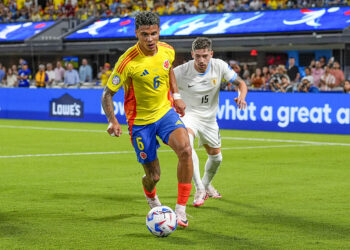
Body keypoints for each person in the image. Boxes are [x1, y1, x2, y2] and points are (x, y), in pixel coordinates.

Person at [101, 11, 193, 227]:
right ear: (136, 34)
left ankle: (180, 210)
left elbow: (168, 70)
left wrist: (177, 96)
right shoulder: (127, 62)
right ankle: (151, 197)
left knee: (186, 150)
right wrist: (113, 121)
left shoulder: (167, 50)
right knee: (154, 176)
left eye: (154, 33)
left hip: (165, 113)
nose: (150, 39)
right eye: (144, 35)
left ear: (159, 31)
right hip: (141, 123)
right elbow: (107, 94)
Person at [174, 37, 247, 207]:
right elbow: (164, 84)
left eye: (205, 56)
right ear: (192, 54)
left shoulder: (219, 66)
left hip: (209, 119)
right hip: (189, 114)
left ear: (211, 54)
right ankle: (199, 188)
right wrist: (174, 98)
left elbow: (241, 83)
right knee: (187, 146)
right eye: (198, 56)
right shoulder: (181, 71)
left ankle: (206, 185)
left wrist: (241, 96)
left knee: (216, 158)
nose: (201, 60)